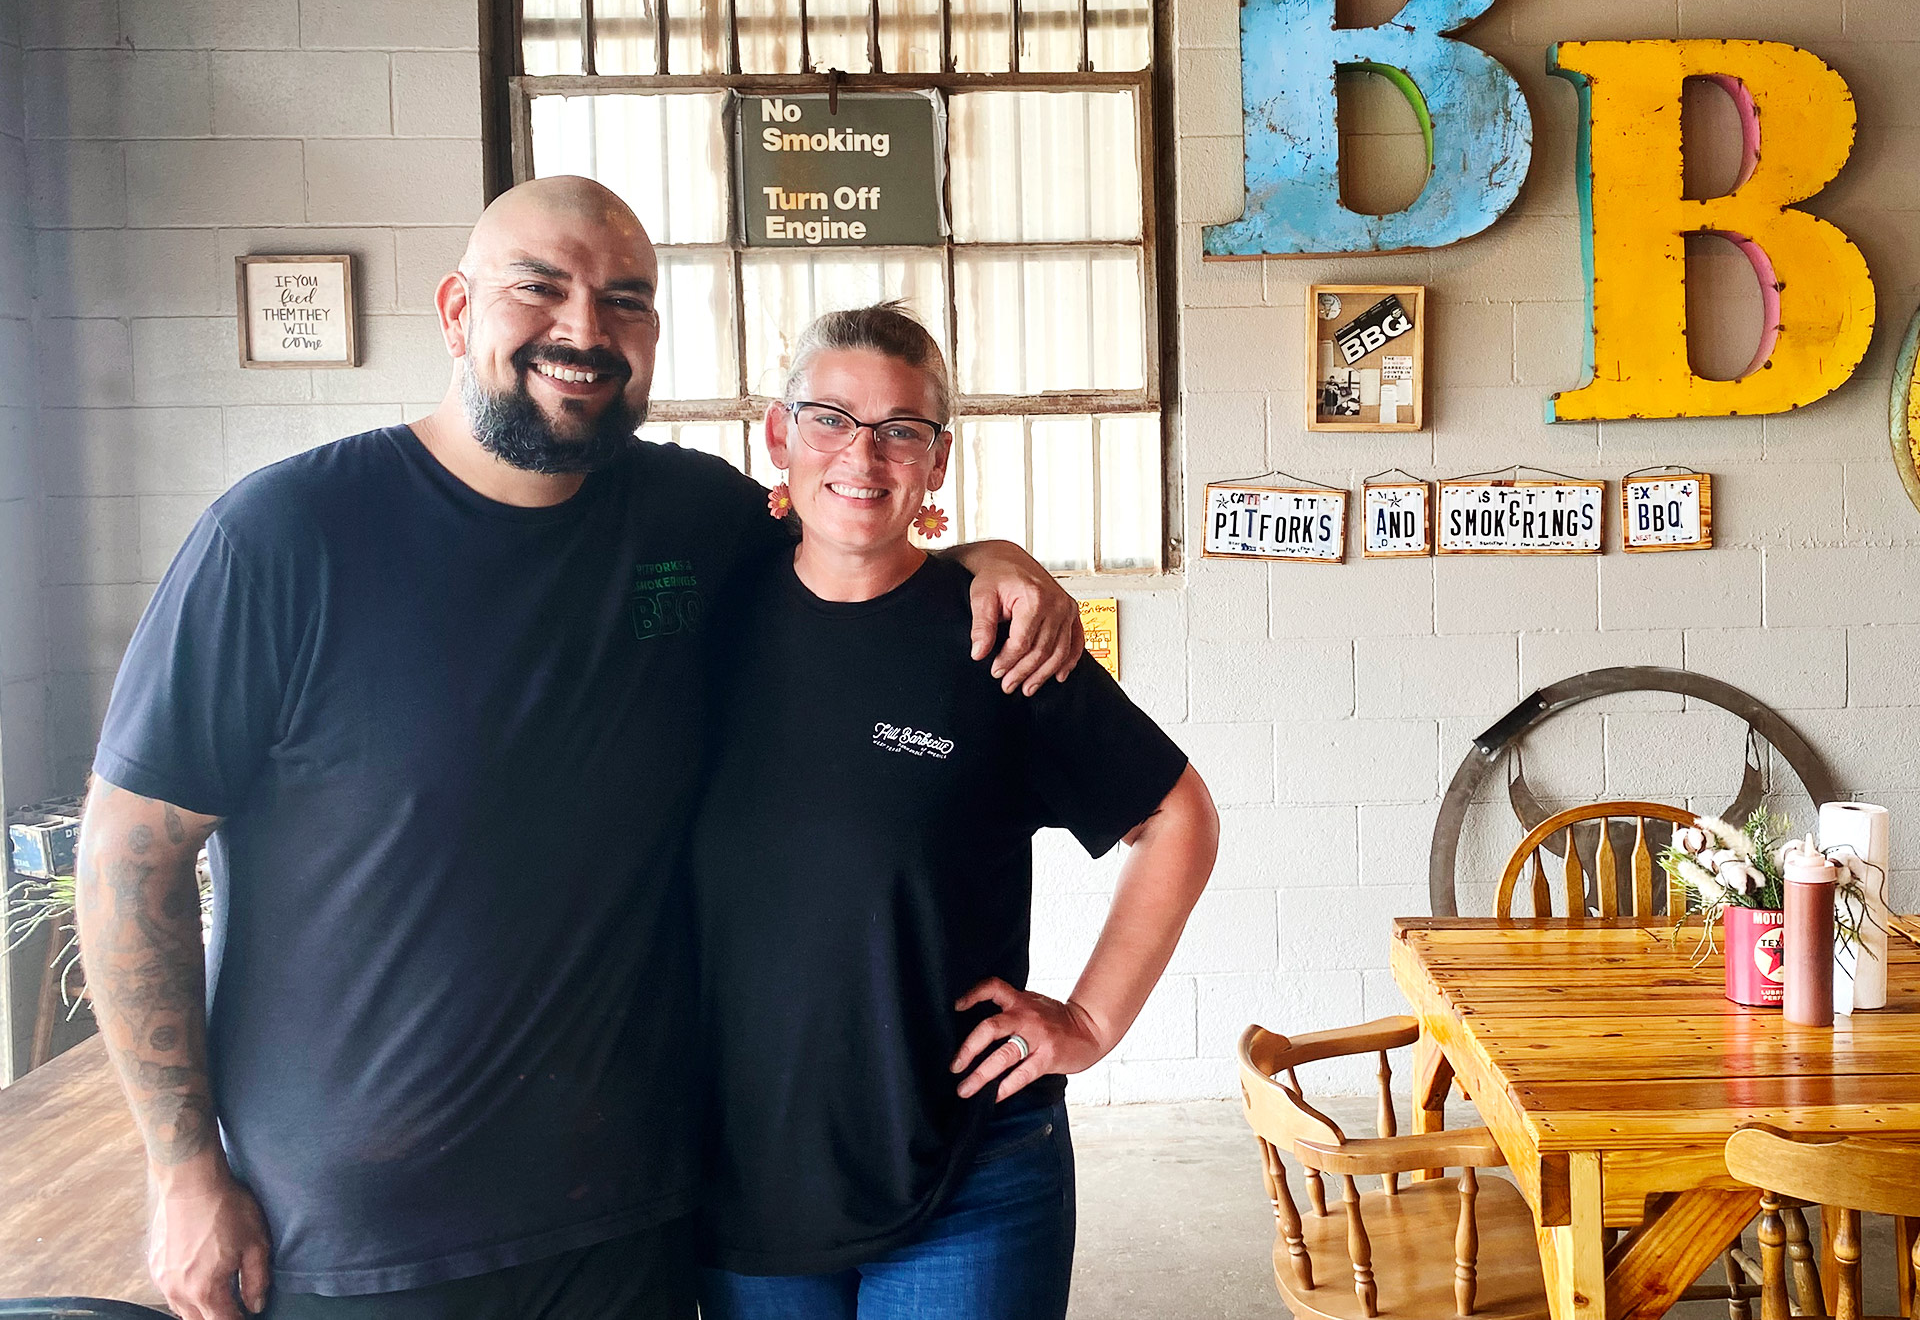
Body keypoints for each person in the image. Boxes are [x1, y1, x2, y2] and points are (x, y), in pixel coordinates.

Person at [75, 177, 1086, 1320]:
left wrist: (989, 559)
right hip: (359, 1240)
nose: (583, 330)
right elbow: (129, 857)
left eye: (626, 301)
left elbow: (854, 541)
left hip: (632, 1224)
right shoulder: (286, 536)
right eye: (539, 288)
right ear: (458, 311)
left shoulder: (693, 518)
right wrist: (181, 1166)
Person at [691, 305, 1218, 1320]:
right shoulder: (702, 624)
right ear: (776, 434)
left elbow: (1179, 817)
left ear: (937, 462)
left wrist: (1091, 1019)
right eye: (831, 419)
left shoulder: (999, 639)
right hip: (745, 1168)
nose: (864, 453)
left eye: (902, 430)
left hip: (973, 1167)